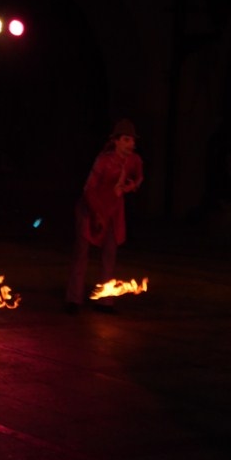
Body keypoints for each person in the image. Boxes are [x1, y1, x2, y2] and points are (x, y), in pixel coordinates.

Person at [65, 118, 144, 314]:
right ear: (116, 141)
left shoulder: (134, 160)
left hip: (113, 211)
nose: (131, 144)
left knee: (109, 253)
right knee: (81, 253)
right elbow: (89, 189)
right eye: (126, 140)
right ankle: (74, 299)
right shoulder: (104, 160)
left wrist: (130, 186)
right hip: (91, 208)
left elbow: (139, 176)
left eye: (132, 140)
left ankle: (105, 300)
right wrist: (97, 214)